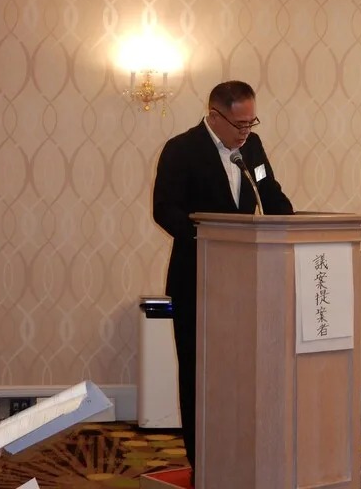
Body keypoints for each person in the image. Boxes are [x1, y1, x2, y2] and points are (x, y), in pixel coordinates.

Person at [152, 80, 293, 485]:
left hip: (246, 286)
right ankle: (203, 462)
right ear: (214, 116)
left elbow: (270, 193)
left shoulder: (253, 148)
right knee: (199, 375)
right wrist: (209, 236)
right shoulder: (181, 149)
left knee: (242, 374)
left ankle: (240, 455)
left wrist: (296, 227)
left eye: (251, 122)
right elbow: (164, 209)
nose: (246, 132)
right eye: (239, 124)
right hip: (197, 281)